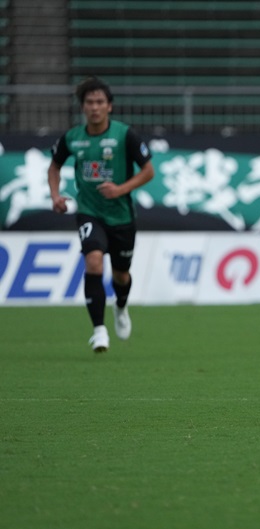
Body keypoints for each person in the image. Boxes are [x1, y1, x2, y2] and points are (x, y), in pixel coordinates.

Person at [48, 76, 154, 353]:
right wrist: (55, 195)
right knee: (93, 262)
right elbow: (54, 166)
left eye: (99, 102)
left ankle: (121, 306)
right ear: (83, 107)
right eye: (89, 102)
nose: (94, 107)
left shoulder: (124, 135)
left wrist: (120, 189)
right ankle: (99, 331)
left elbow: (148, 171)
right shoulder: (72, 138)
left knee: (121, 275)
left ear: (109, 106)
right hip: (89, 212)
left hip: (121, 216)